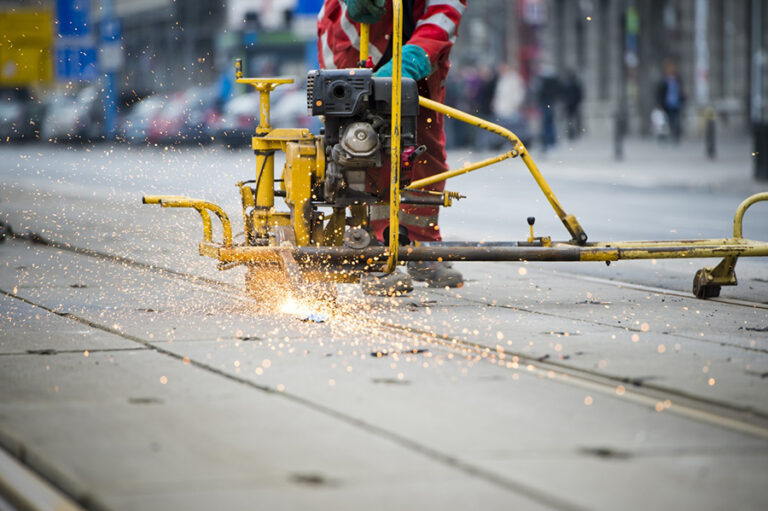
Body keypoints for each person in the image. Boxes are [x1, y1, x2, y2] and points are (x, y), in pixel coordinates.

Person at [318, 0, 466, 295]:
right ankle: (373, 250)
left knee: (427, 152)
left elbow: (445, 12)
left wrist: (415, 55)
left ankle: (421, 246)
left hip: (421, 62)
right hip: (356, 46)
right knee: (363, 150)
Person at [533, 62, 561, 152]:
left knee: (547, 123)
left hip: (546, 103)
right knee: (549, 123)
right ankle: (550, 142)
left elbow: (539, 93)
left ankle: (548, 142)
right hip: (550, 103)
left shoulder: (543, 80)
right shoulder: (552, 80)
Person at [656, 60, 685, 143]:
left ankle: (675, 137)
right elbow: (660, 92)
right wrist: (659, 104)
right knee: (665, 121)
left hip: (676, 103)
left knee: (675, 121)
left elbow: (681, 91)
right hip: (666, 103)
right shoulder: (664, 80)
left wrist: (682, 98)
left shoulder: (677, 79)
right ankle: (663, 137)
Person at [561, 69, 583, 140]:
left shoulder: (570, 85)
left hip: (571, 105)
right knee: (572, 120)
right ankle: (572, 132)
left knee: (571, 120)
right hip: (572, 105)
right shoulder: (573, 85)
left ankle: (573, 132)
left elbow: (579, 95)